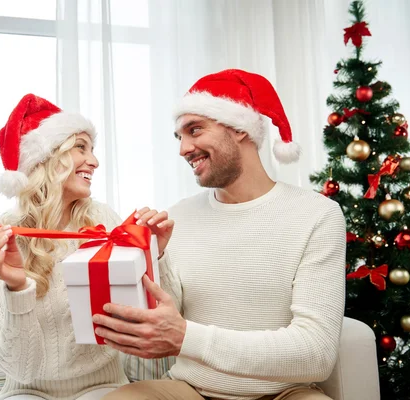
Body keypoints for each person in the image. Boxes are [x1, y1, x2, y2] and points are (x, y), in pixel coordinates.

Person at [95, 69, 347, 400]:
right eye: (179, 137)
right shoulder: (178, 217)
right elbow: (165, 320)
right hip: (190, 390)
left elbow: (316, 354)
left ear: (241, 128)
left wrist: (187, 337)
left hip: (284, 394)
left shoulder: (317, 215)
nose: (184, 149)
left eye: (195, 130)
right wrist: (155, 259)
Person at [0, 94, 174, 400]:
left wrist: (153, 255)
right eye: (81, 147)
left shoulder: (103, 221)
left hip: (101, 385)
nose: (94, 161)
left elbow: (159, 322)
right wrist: (17, 288)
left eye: (92, 150)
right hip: (27, 391)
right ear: (47, 158)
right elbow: (22, 370)